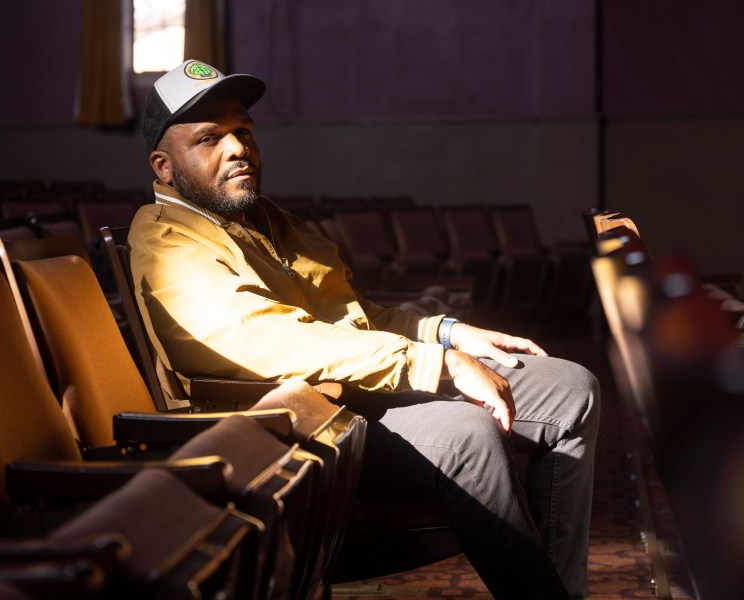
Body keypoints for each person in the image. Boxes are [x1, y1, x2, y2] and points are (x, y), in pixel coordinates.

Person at [130, 59, 600, 599]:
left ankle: (564, 591)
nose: (238, 148)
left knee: (572, 390)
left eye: (244, 131)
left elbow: (349, 316)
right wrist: (434, 362)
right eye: (210, 138)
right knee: (468, 434)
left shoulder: (264, 219)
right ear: (164, 167)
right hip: (290, 421)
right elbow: (268, 338)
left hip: (352, 386)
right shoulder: (166, 240)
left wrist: (445, 332)